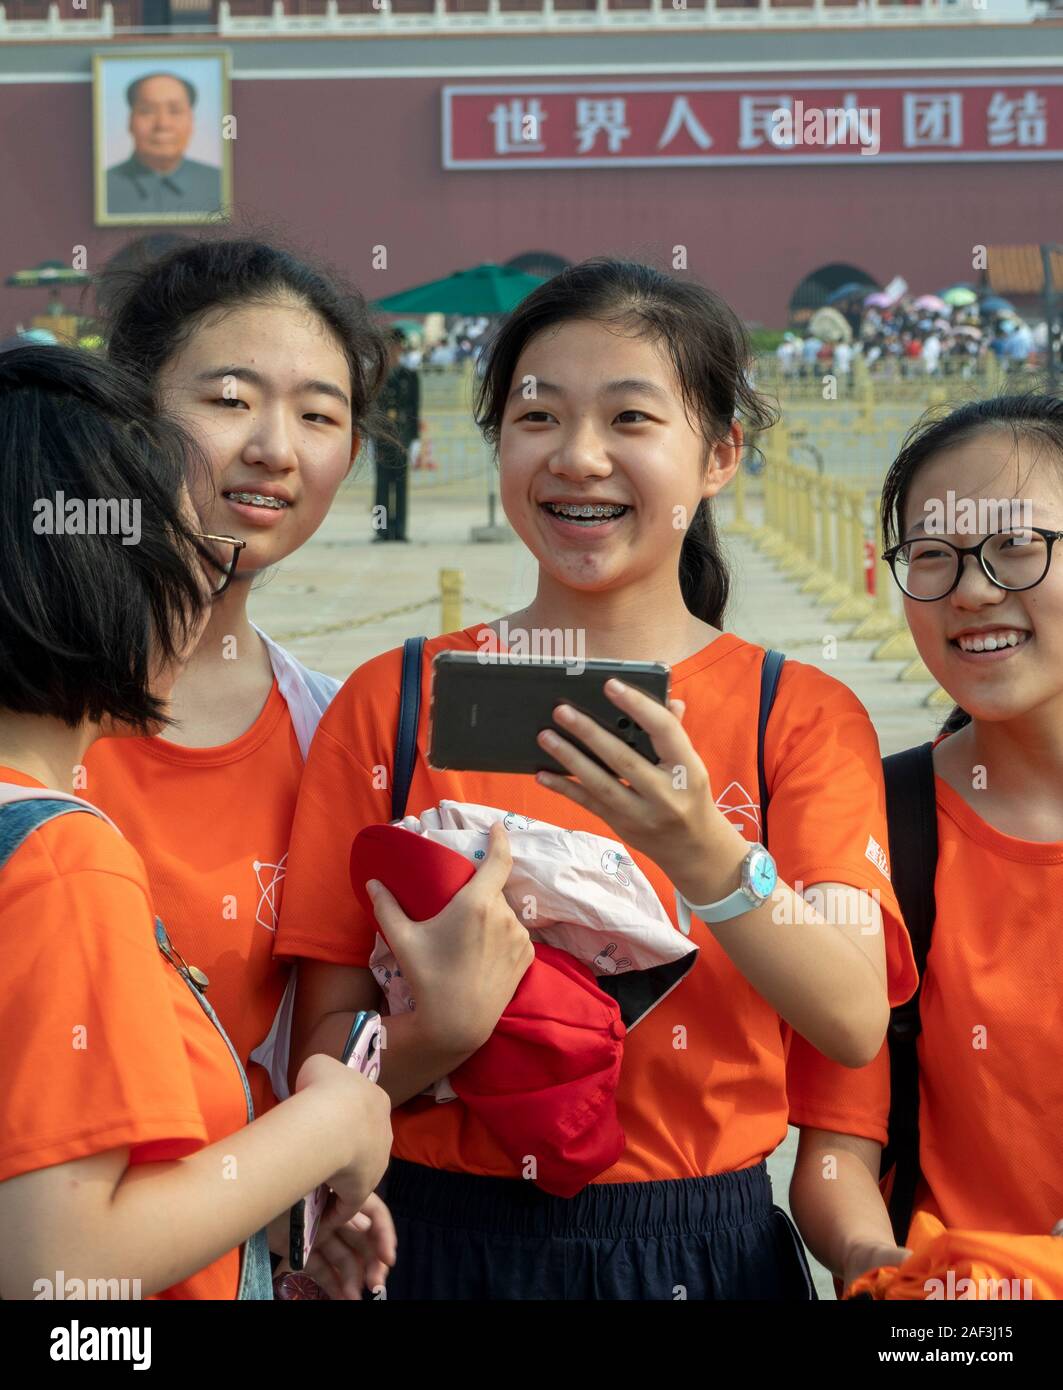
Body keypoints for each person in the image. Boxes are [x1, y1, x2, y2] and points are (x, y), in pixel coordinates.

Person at [275, 258, 917, 1301]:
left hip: (698, 1248)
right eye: (537, 417)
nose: (577, 459)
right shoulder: (392, 701)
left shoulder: (795, 714)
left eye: (629, 419)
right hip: (431, 1240)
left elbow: (848, 1015)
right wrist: (439, 1031)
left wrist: (702, 851)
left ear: (719, 453)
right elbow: (320, 1057)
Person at [0, 346, 392, 1300]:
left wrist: (253, 1235)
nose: (208, 588)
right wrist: (331, 1124)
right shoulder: (62, 862)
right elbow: (62, 1266)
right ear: (91, 572)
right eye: (193, 552)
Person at [83, 238, 388, 1169]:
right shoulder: (36, 702)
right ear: (123, 409)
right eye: (229, 400)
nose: (273, 448)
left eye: (319, 415)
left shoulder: (335, 731)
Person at [789, 395, 1063, 1289]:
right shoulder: (883, 821)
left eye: (1017, 546)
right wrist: (884, 1267)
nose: (972, 589)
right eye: (933, 557)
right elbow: (837, 1157)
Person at [106, 72, 222, 217]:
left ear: (192, 121)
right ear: (130, 122)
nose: (163, 124)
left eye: (175, 111)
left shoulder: (220, 184)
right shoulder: (102, 188)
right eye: (147, 111)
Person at [372, 328, 420, 542]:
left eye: (396, 346)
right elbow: (371, 409)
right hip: (382, 438)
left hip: (402, 438)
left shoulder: (409, 376)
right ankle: (381, 530)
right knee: (382, 488)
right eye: (389, 346)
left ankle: (400, 530)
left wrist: (416, 439)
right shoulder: (376, 375)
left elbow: (414, 410)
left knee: (400, 486)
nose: (393, 351)